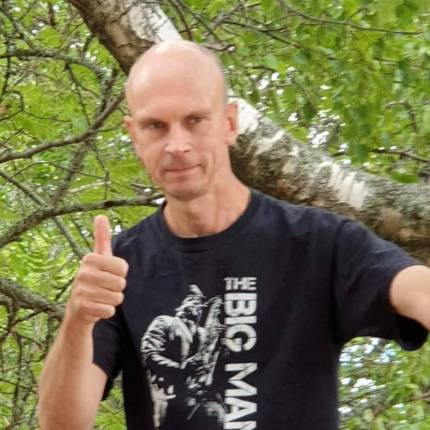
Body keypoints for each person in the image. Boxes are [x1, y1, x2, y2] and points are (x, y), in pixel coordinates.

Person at [38, 40, 430, 430]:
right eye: (155, 126)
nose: (177, 145)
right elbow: (61, 424)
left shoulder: (318, 242)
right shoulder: (120, 267)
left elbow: (415, 289)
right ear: (134, 134)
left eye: (195, 120)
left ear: (228, 123)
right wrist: (78, 319)